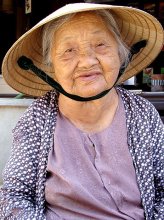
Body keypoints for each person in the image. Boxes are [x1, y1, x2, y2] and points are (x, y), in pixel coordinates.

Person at [0, 2, 163, 220]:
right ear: (52, 67)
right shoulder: (38, 118)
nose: (86, 62)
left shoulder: (143, 114)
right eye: (69, 50)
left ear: (120, 53)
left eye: (100, 45)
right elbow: (14, 197)